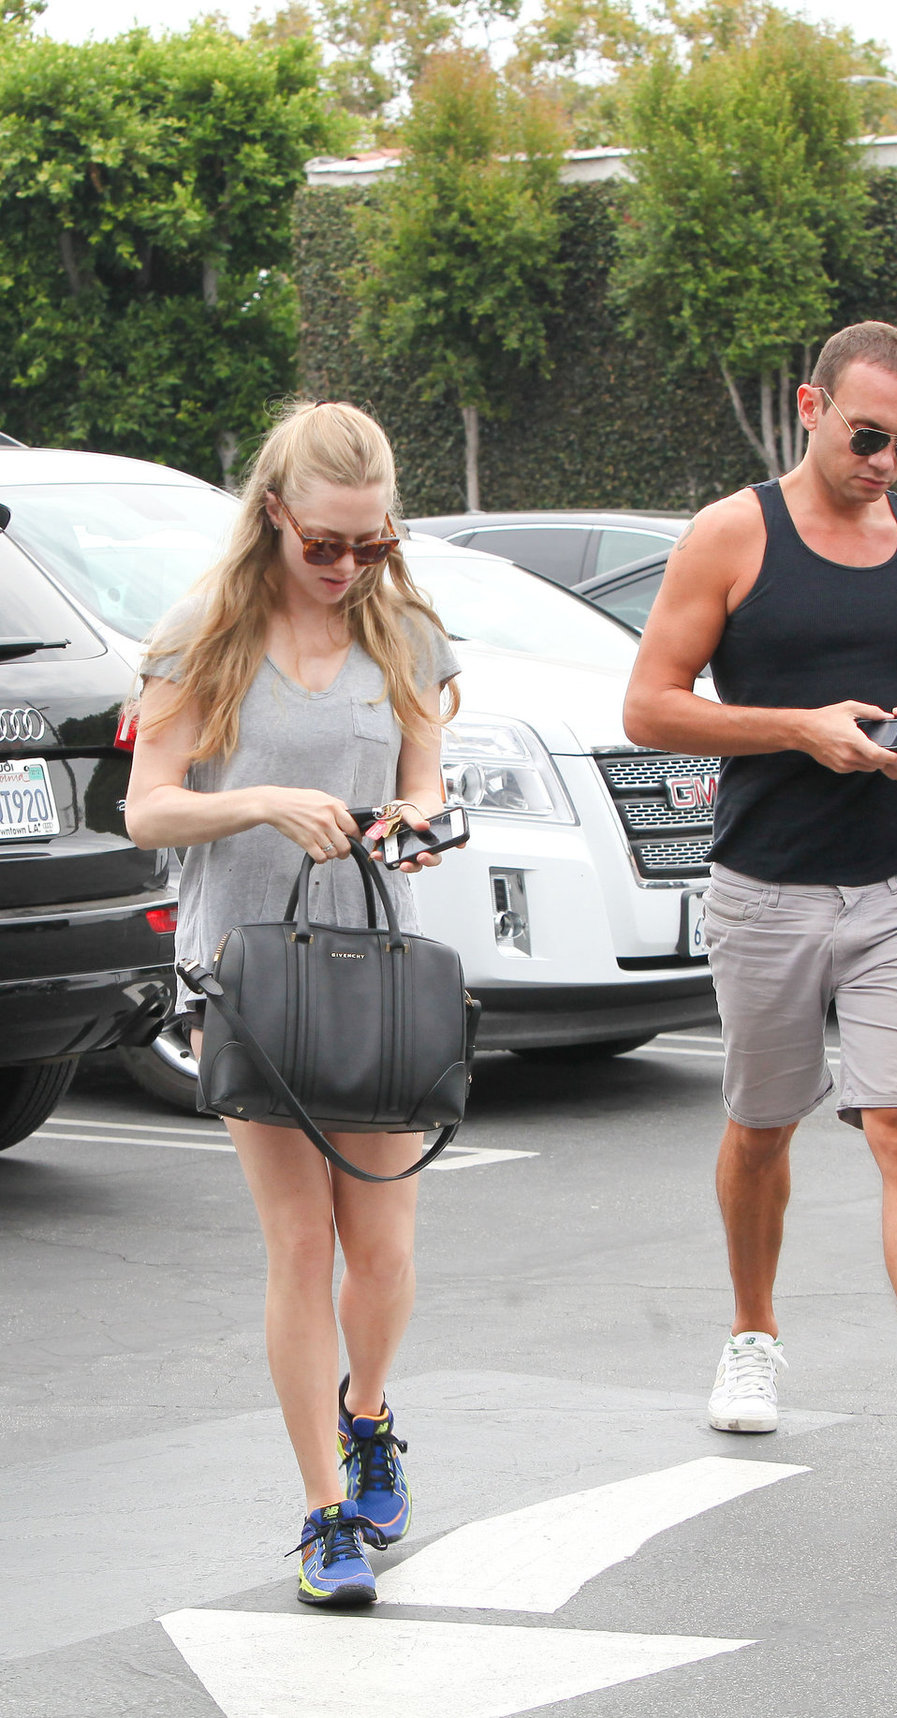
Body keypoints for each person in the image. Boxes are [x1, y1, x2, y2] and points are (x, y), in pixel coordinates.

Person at [623, 321, 897, 1499]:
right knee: (762, 1125)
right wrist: (798, 728)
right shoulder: (731, 534)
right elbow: (650, 706)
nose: (887, 463)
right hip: (765, 884)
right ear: (810, 405)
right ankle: (752, 1333)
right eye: (868, 436)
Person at [125, 400, 462, 1602]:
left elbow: (423, 780)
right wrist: (259, 799)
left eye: (371, 543)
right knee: (301, 1240)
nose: (347, 566)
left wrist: (416, 818)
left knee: (382, 1241)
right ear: (273, 512)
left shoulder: (407, 632)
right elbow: (148, 807)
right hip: (252, 975)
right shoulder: (202, 634)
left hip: (372, 967)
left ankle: (365, 1414)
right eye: (326, 543)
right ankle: (325, 1511)